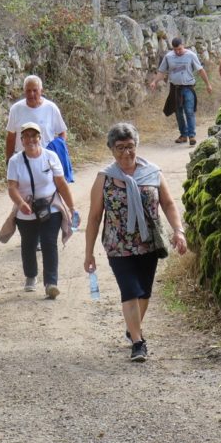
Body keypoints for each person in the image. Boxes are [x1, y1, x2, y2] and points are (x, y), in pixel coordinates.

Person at [83, 123, 187, 362]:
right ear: (111, 149)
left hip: (148, 243)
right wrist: (88, 254)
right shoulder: (104, 179)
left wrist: (178, 231)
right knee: (130, 291)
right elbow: (94, 217)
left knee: (144, 293)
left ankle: (133, 328)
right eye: (119, 148)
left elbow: (169, 204)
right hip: (118, 246)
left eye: (130, 147)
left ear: (136, 146)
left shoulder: (152, 173)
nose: (125, 153)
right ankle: (138, 343)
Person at [7, 122, 76, 299]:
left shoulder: (50, 157)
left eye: (34, 136)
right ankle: (31, 275)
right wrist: (21, 203)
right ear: (22, 140)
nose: (31, 140)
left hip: (50, 207)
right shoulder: (15, 161)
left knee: (48, 242)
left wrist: (71, 207)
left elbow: (61, 183)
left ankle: (51, 283)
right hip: (26, 210)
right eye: (27, 136)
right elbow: (12, 187)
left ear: (40, 138)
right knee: (28, 244)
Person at [149, 37, 212, 146]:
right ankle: (183, 135)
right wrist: (154, 81)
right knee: (178, 112)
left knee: (189, 111)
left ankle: (191, 135)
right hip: (175, 88)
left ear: (183, 45)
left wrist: (208, 84)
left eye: (179, 49)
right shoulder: (168, 57)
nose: (178, 52)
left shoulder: (191, 55)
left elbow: (200, 70)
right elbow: (162, 71)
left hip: (188, 87)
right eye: (175, 50)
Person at [5, 75, 68, 163]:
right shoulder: (16, 109)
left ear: (41, 91)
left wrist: (57, 150)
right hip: (22, 161)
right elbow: (11, 137)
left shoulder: (51, 108)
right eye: (28, 90)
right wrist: (9, 159)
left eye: (35, 90)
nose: (31, 94)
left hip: (45, 161)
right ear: (24, 91)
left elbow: (62, 133)